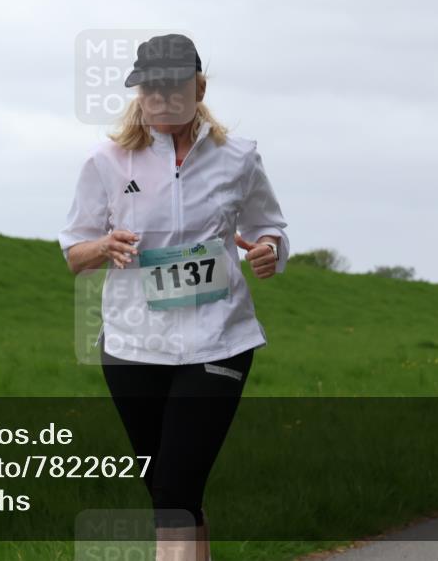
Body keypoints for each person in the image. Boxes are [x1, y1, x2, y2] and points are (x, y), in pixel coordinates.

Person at [58, 33, 290, 561]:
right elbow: (75, 253)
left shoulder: (238, 158)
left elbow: (268, 225)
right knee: (171, 493)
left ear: (199, 87)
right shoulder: (107, 162)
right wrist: (104, 245)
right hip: (132, 347)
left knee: (174, 493)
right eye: (149, 89)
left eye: (173, 88)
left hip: (218, 340)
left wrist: (271, 249)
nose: (160, 99)